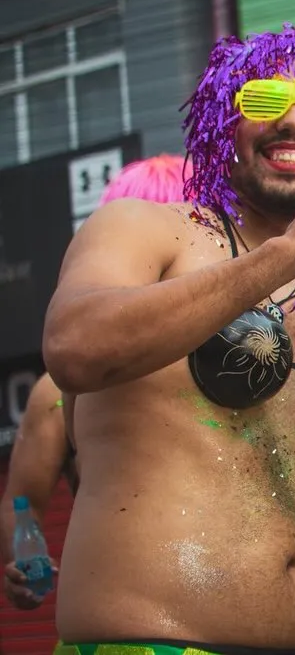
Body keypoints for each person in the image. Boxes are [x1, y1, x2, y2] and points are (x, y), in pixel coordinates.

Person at [41, 25, 295, 655]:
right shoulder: (147, 231)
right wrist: (286, 255)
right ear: (220, 120)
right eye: (263, 100)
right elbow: (75, 348)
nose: (293, 121)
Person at [1, 154, 187, 611]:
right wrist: (30, 560)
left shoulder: (240, 365)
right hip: (127, 621)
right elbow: (20, 502)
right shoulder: (59, 393)